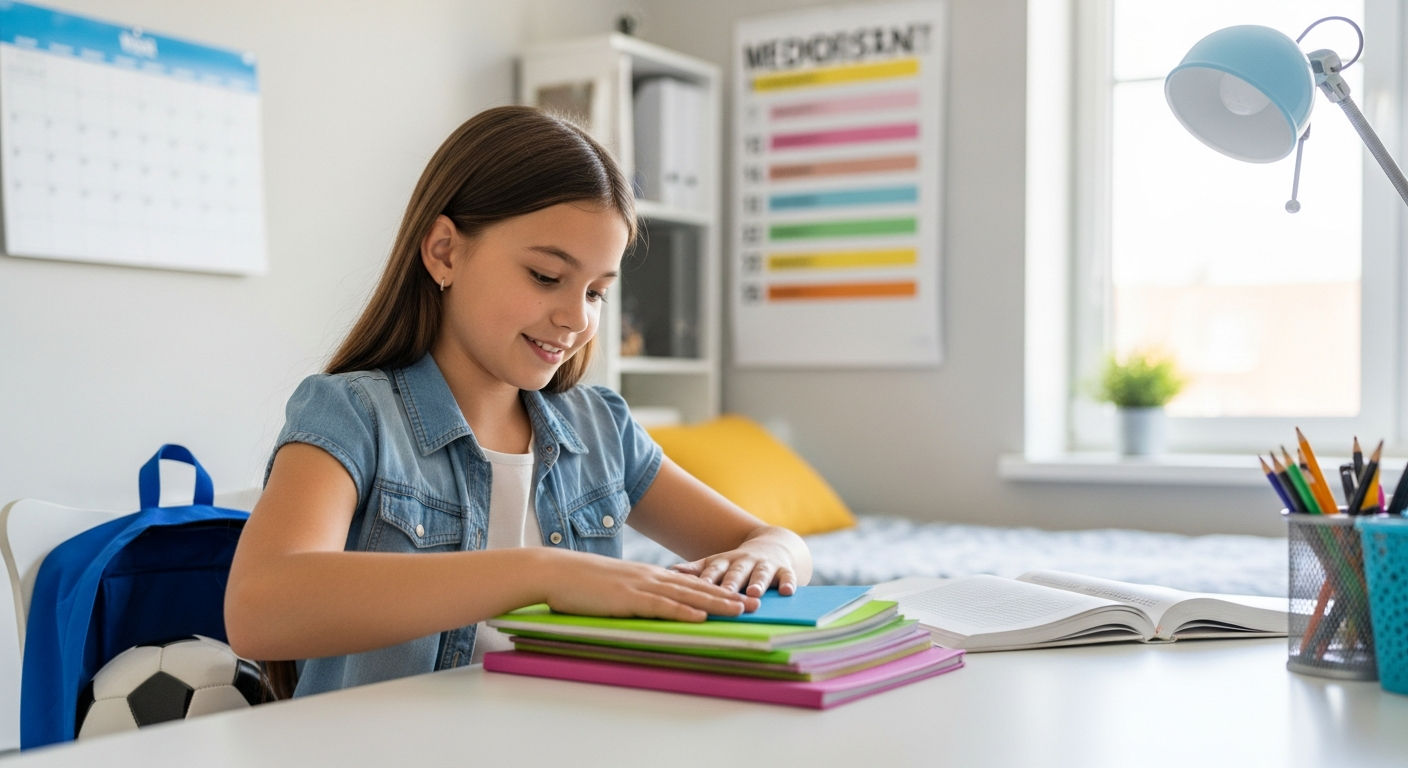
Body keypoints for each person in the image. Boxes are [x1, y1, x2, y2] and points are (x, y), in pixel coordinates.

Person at [224, 106, 813, 697]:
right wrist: (545, 574)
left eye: (596, 292)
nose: (576, 317)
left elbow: (777, 544)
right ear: (445, 253)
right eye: (544, 275)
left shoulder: (601, 429)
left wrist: (769, 552)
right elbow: (258, 608)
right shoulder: (352, 415)